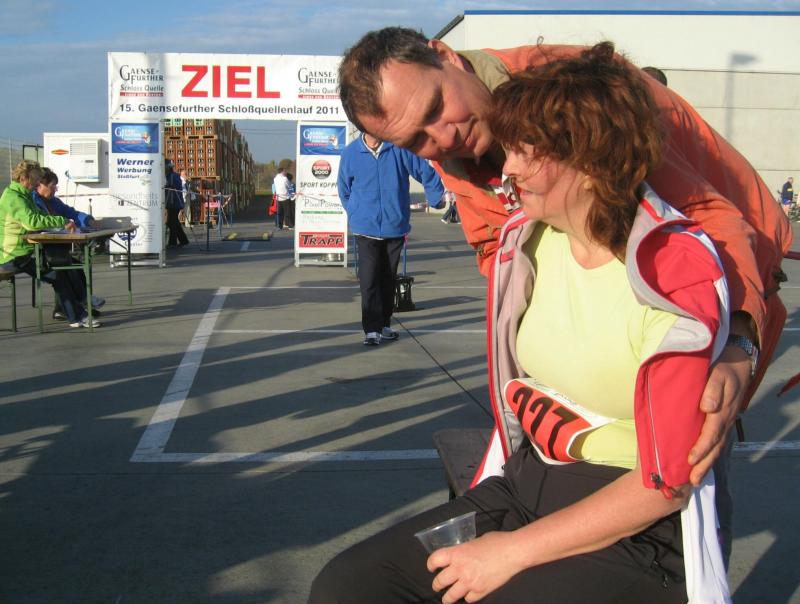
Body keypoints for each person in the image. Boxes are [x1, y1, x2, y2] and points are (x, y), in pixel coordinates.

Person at [338, 27, 793, 559]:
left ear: (444, 56)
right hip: (617, 311)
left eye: (437, 108)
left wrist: (740, 342)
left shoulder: (580, 93)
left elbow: (712, 223)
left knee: (690, 473)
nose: (442, 139)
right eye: (416, 141)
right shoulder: (456, 143)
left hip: (732, 273)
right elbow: (495, 246)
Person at [338, 132, 444, 346]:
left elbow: (425, 171)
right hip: (365, 228)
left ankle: (384, 323)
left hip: (395, 226)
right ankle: (371, 329)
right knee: (369, 278)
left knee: (388, 278)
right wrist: (355, 212)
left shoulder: (400, 148)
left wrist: (436, 198)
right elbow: (344, 189)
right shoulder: (351, 153)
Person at [0, 160, 99, 328]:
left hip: (26, 250)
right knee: (58, 273)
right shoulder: (13, 198)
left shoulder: (23, 195)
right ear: (24, 178)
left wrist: (62, 221)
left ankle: (77, 312)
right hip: (13, 255)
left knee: (62, 267)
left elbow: (40, 215)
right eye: (35, 180)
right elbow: (32, 222)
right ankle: (78, 314)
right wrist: (61, 221)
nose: (37, 184)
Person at [33, 168, 105, 319]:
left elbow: (70, 212)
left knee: (76, 266)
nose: (55, 189)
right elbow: (40, 223)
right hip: (38, 250)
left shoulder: (53, 201)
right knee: (66, 268)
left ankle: (77, 303)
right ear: (40, 185)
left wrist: (88, 220)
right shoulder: (33, 201)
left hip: (53, 248)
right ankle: (78, 305)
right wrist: (62, 225)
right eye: (53, 186)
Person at [165, 160, 189, 248]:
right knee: (173, 221)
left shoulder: (172, 176)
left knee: (172, 222)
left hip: (174, 202)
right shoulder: (172, 175)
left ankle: (173, 242)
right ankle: (183, 240)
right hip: (173, 201)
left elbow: (172, 186)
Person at [274, 165, 293, 230]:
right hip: (285, 197)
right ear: (282, 172)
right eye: (284, 171)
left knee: (280, 213)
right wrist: (292, 193)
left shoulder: (275, 178)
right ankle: (290, 226)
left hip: (279, 198)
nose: (285, 172)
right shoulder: (285, 178)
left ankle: (279, 226)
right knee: (287, 212)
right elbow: (289, 186)